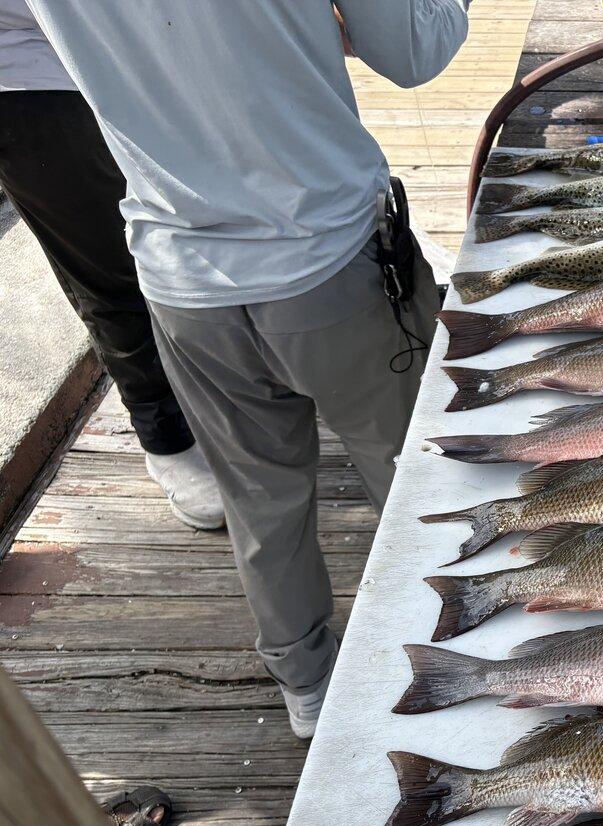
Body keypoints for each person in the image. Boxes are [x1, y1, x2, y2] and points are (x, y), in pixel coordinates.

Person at [26, 1, 466, 738]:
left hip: (178, 274)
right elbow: (416, 50)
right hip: (332, 257)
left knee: (260, 501)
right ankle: (462, 654)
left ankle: (307, 684)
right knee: (416, 478)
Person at [0, 1, 224, 529]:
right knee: (111, 274)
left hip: (155, 56)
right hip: (32, 82)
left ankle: (240, 390)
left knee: (215, 230)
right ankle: (167, 437)